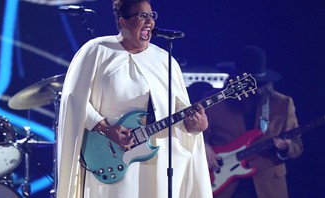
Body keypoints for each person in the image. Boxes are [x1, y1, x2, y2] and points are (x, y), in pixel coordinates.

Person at [56, 0, 213, 197]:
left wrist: (196, 125)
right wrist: (105, 128)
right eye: (142, 16)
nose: (149, 21)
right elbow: (75, 101)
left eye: (151, 16)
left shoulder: (164, 59)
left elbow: (181, 109)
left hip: (159, 158)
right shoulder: (96, 50)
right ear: (123, 22)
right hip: (112, 157)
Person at [204, 45, 303, 198]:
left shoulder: (282, 103)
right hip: (223, 183)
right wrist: (204, 147)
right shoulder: (213, 100)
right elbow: (193, 134)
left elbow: (297, 144)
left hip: (268, 186)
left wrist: (287, 148)